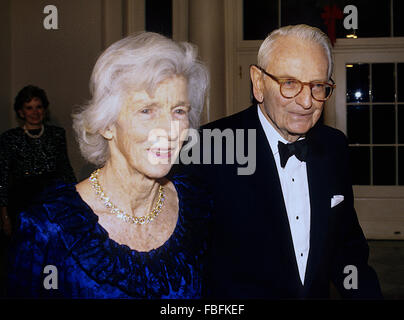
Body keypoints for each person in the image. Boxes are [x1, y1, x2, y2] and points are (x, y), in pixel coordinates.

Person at [177, 24, 382, 299]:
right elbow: (183, 264)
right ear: (258, 83)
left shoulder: (334, 146)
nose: (307, 101)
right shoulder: (208, 147)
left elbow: (346, 249)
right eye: (290, 84)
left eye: (318, 86)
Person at [6, 32, 210, 298]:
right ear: (107, 124)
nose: (169, 131)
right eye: (147, 110)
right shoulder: (48, 229)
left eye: (179, 111)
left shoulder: (196, 207)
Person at [0, 85, 77, 235]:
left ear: (44, 109)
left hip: (53, 201)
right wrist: (4, 215)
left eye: (38, 107)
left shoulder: (57, 134)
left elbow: (65, 169)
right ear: (21, 112)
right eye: (29, 108)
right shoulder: (9, 138)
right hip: (22, 203)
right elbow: (2, 178)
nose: (35, 112)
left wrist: (76, 200)